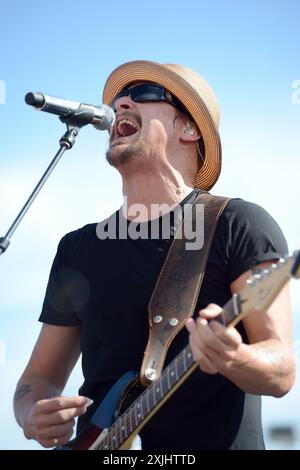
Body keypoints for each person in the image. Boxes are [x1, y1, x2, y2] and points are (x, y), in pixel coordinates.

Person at [13, 60, 295, 450]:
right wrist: (32, 412)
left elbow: (282, 368)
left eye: (144, 93)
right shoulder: (77, 249)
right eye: (117, 99)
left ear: (190, 128)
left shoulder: (238, 224)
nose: (120, 104)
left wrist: (235, 359)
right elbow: (37, 379)